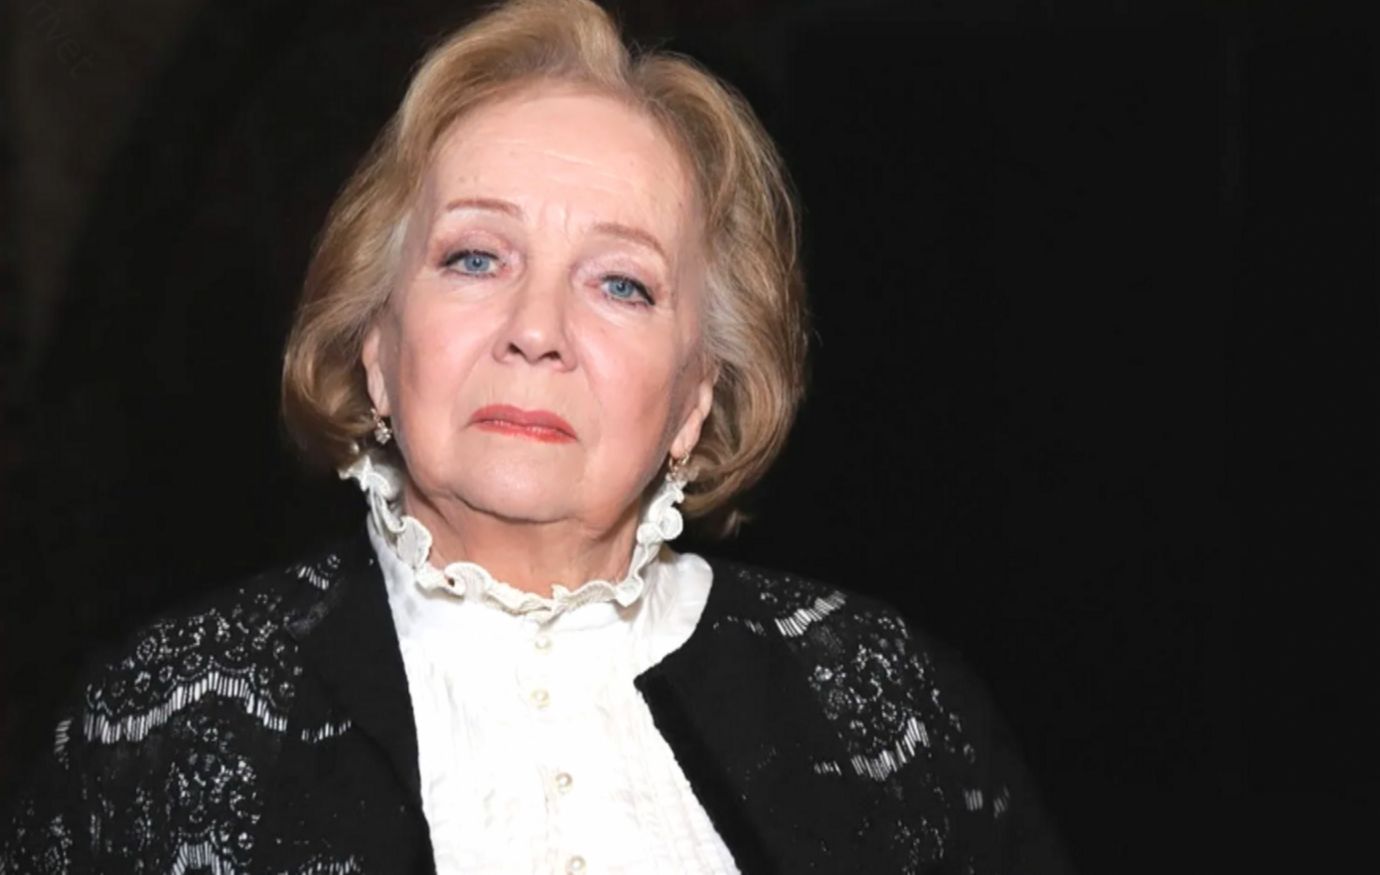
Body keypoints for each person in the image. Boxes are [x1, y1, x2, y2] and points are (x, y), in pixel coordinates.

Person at [1, 1, 1073, 872]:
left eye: (621, 283)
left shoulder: (887, 705)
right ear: (377, 342)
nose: (536, 328)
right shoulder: (160, 720)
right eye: (475, 257)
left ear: (695, 396)